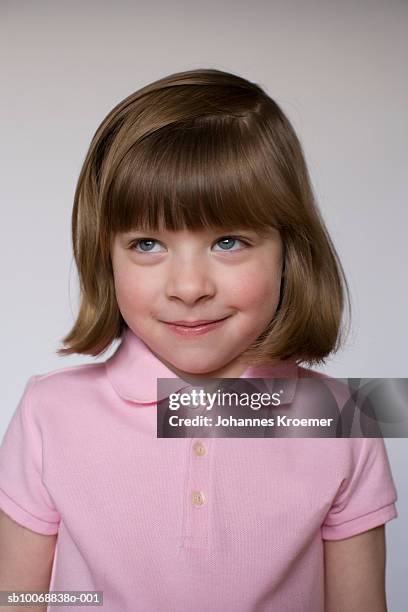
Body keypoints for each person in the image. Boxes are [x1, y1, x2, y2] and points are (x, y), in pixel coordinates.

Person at [0, 68, 398, 612]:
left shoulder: (344, 417)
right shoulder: (49, 411)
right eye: (146, 244)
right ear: (104, 256)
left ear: (290, 251)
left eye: (228, 241)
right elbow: (19, 598)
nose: (189, 288)